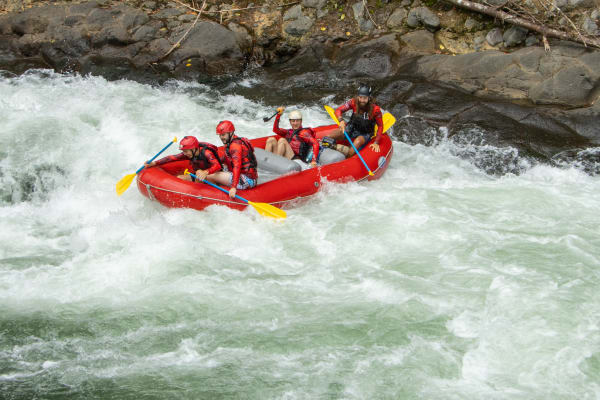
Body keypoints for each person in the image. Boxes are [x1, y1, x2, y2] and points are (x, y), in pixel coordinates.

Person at [205, 120, 258, 199]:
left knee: (208, 176)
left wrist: (233, 187)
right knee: (215, 169)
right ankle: (219, 186)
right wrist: (212, 162)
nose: (221, 137)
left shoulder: (235, 146)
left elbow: (237, 166)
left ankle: (215, 196)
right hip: (248, 177)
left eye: (223, 135)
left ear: (231, 132)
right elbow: (225, 158)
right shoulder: (233, 141)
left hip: (247, 180)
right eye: (220, 135)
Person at [329, 85, 384, 158]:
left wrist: (376, 142)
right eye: (360, 97)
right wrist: (341, 120)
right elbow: (338, 110)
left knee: (351, 151)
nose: (362, 100)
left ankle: (343, 154)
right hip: (352, 127)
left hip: (365, 133)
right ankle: (330, 147)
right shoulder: (353, 102)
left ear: (369, 98)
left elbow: (380, 126)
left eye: (365, 98)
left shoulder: (375, 110)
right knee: (329, 137)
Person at [144, 135, 222, 181]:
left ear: (194, 149)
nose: (184, 154)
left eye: (186, 151)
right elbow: (172, 158)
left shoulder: (207, 153)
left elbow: (217, 165)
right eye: (183, 151)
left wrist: (205, 172)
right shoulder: (189, 153)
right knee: (179, 178)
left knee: (202, 181)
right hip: (199, 174)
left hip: (214, 174)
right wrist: (154, 163)